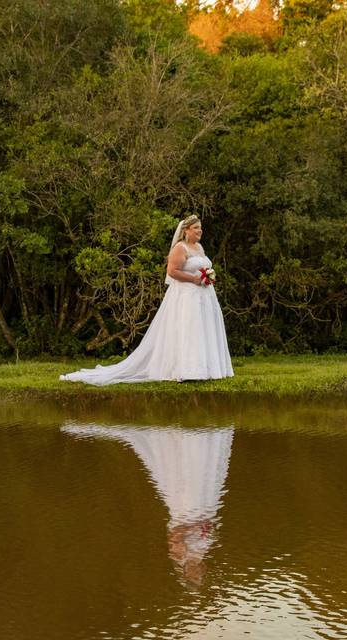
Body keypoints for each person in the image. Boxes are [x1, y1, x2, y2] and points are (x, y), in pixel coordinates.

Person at [60, 214, 234, 385]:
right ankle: (187, 370)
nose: (200, 231)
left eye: (200, 228)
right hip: (186, 296)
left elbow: (202, 267)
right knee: (188, 330)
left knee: (202, 329)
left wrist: (207, 277)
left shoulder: (199, 247)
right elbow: (172, 271)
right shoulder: (180, 248)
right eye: (196, 228)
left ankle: (207, 368)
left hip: (204, 296)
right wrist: (194, 279)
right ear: (186, 230)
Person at [61, 423, 234, 586]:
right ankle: (200, 439)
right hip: (204, 505)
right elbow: (209, 532)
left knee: (187, 479)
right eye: (200, 577)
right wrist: (208, 525)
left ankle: (189, 442)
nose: (199, 574)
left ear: (187, 574)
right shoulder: (202, 554)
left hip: (186, 508)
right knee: (202, 477)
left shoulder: (179, 556)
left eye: (195, 577)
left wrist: (195, 527)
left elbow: (175, 534)